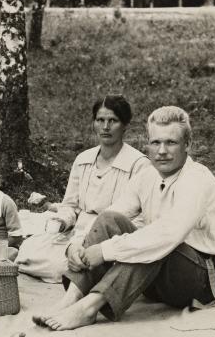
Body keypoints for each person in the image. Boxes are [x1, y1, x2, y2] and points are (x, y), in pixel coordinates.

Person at [33, 106, 215, 331]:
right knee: (111, 219)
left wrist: (104, 251)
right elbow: (113, 213)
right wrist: (77, 244)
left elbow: (167, 234)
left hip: (201, 279)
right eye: (155, 142)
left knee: (154, 242)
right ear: (147, 144)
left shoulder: (196, 179)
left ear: (187, 145)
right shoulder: (147, 174)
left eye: (171, 143)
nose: (162, 151)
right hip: (158, 275)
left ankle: (90, 308)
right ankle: (71, 299)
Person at [16, 95, 150, 282]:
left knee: (59, 266)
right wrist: (63, 221)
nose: (105, 127)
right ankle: (78, 267)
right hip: (76, 233)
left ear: (125, 125)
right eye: (100, 120)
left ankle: (86, 269)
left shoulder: (139, 165)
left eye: (113, 121)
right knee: (27, 250)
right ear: (94, 123)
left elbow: (141, 218)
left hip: (110, 238)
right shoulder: (83, 159)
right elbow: (70, 205)